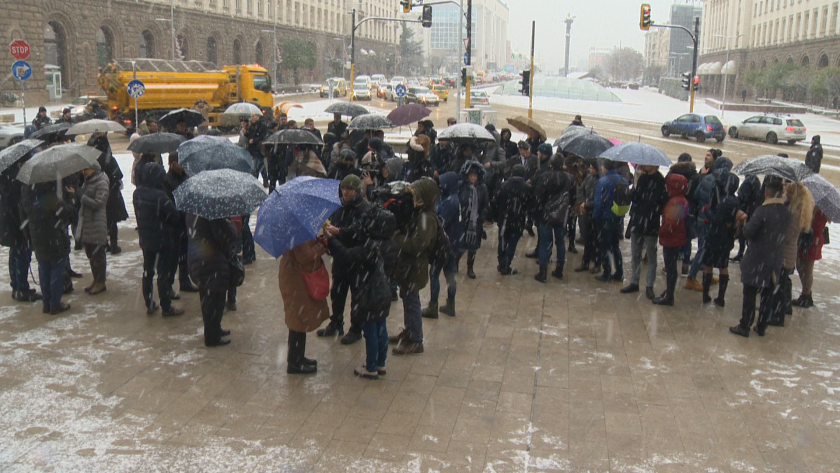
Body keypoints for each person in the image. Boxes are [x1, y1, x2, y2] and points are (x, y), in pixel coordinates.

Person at [326, 209, 397, 379]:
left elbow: (347, 255)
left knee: (371, 330)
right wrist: (340, 232)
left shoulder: (369, 246)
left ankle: (371, 367)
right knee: (381, 327)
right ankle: (381, 363)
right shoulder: (388, 243)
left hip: (369, 293)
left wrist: (332, 240)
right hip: (383, 291)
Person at [730, 177, 791, 337]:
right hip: (775, 258)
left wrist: (744, 223)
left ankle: (745, 325)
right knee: (768, 293)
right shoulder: (786, 213)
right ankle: (762, 325)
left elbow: (748, 233)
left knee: (750, 292)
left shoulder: (762, 211)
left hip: (757, 257)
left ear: (766, 193)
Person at [317, 175, 370, 343]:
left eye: (349, 189)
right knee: (337, 293)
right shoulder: (340, 204)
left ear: (356, 190)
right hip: (340, 256)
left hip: (356, 257)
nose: (345, 192)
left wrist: (339, 231)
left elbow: (359, 231)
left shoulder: (363, 208)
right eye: (343, 189)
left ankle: (356, 329)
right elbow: (335, 223)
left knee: (357, 295)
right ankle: (336, 323)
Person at [390, 178, 438, 356]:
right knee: (407, 298)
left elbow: (417, 245)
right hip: (408, 266)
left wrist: (398, 237)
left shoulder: (427, 218)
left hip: (415, 267)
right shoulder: (419, 213)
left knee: (412, 302)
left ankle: (416, 339)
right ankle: (409, 331)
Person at [134, 163, 185, 316]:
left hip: (146, 240)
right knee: (163, 273)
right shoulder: (160, 196)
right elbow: (174, 217)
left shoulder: (137, 194)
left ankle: (149, 303)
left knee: (148, 272)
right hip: (162, 241)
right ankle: (166, 306)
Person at [278, 238, 330, 374]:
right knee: (298, 320)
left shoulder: (295, 229)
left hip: (295, 275)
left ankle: (298, 357)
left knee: (300, 319)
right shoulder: (295, 233)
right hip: (295, 279)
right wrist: (321, 246)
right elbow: (305, 256)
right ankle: (295, 363)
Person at [21, 181, 71, 315]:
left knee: (44, 270)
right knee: (56, 270)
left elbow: (23, 217)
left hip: (37, 238)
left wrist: (29, 237)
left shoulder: (26, 193)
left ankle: (46, 303)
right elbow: (65, 214)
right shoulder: (49, 193)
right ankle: (55, 304)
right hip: (54, 237)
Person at [188, 213, 237, 347]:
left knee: (207, 297)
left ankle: (214, 329)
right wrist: (231, 225)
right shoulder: (213, 215)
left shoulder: (193, 211)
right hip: (212, 262)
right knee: (215, 299)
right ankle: (212, 337)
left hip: (198, 258)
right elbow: (225, 236)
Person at [685, 152, 729, 291]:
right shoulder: (720, 183)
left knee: (703, 248)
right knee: (704, 250)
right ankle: (691, 277)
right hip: (708, 220)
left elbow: (697, 195)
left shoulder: (706, 178)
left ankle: (706, 275)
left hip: (700, 217)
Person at [621, 164, 667, 299]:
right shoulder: (642, 179)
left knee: (651, 256)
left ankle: (649, 286)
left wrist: (651, 206)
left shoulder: (660, 181)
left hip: (651, 224)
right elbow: (634, 198)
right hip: (637, 221)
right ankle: (634, 282)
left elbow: (661, 203)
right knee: (635, 254)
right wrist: (635, 188)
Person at [772, 183, 814, 325]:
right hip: (788, 252)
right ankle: (784, 309)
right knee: (783, 282)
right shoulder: (797, 210)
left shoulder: (795, 213)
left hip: (785, 253)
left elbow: (787, 235)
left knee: (780, 284)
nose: (785, 195)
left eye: (788, 193)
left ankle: (778, 316)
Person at [0, 155, 41, 302]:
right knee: (22, 255)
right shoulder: (14, 179)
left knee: (15, 254)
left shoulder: (6, 174)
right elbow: (17, 204)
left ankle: (17, 287)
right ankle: (21, 288)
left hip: (9, 224)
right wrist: (23, 224)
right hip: (17, 224)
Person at [423, 172, 462, 319]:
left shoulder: (450, 202)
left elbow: (440, 222)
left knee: (434, 274)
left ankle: (433, 305)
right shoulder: (454, 199)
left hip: (444, 245)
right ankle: (450, 304)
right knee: (450, 275)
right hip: (453, 244)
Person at [701, 171, 740, 307]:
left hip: (715, 236)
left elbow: (716, 219)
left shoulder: (721, 200)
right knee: (723, 266)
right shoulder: (735, 200)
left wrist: (707, 211)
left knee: (708, 265)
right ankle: (721, 297)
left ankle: (705, 295)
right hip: (727, 238)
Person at [533, 154, 573, 282]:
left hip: (546, 214)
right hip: (561, 214)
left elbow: (538, 197)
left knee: (544, 242)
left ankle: (543, 272)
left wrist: (538, 212)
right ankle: (559, 269)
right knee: (560, 242)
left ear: (551, 164)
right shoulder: (569, 178)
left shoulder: (545, 177)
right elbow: (572, 197)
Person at [162, 152, 198, 294]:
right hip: (175, 224)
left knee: (185, 254)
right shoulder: (167, 180)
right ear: (174, 164)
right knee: (173, 257)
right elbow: (168, 204)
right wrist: (179, 213)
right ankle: (169, 285)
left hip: (186, 222)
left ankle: (184, 280)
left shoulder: (185, 177)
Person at [88, 132, 128, 255]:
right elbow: (119, 175)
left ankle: (104, 244)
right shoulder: (109, 158)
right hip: (111, 193)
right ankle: (114, 245)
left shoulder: (91, 160)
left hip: (97, 193)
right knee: (112, 221)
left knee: (101, 221)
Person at [654, 174, 690, 306]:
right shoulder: (682, 200)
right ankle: (669, 292)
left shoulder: (674, 201)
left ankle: (669, 296)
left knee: (671, 268)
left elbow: (671, 223)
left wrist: (661, 231)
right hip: (677, 238)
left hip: (672, 239)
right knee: (672, 267)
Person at [492, 164, 533, 275]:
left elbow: (495, 201)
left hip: (504, 219)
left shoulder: (503, 185)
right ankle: (506, 264)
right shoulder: (527, 188)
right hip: (518, 220)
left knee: (502, 242)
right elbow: (530, 205)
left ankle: (501, 262)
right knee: (512, 243)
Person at [76, 163, 109, 296]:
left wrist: (81, 197)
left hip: (96, 222)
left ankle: (101, 282)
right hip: (87, 222)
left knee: (98, 255)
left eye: (86, 169)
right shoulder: (88, 181)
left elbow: (99, 203)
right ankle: (96, 279)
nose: (84, 171)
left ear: (94, 169)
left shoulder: (102, 181)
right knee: (90, 253)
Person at [593, 159, 626, 283]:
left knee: (605, 246)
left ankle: (606, 272)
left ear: (604, 167)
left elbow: (598, 202)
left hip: (605, 218)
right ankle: (619, 272)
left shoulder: (603, 181)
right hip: (618, 217)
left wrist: (596, 217)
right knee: (615, 246)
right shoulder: (623, 180)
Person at [667, 154, 698, 276]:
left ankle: (671, 265)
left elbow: (667, 188)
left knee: (673, 234)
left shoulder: (672, 172)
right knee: (687, 237)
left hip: (674, 207)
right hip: (689, 208)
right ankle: (685, 265)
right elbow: (696, 194)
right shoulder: (695, 175)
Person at [459, 161, 489, 280]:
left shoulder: (482, 188)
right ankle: (455, 261)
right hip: (463, 220)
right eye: (471, 175)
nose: (473, 177)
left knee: (472, 247)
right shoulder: (461, 186)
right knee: (461, 245)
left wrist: (481, 217)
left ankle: (470, 268)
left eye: (475, 175)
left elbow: (485, 205)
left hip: (475, 222)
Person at [795, 207, 828, 308]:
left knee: (807, 268)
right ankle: (806, 294)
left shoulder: (820, 212)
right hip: (809, 240)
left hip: (812, 241)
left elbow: (816, 228)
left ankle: (806, 295)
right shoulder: (814, 208)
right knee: (801, 266)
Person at [575, 158, 601, 274]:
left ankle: (597, 263)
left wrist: (587, 205)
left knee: (596, 240)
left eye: (591, 167)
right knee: (587, 239)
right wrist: (581, 203)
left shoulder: (602, 181)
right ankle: (585, 262)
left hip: (595, 214)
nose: (589, 169)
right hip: (585, 212)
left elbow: (599, 200)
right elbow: (581, 189)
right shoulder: (589, 177)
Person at [733, 173, 762, 262]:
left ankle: (741, 253)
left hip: (746, 210)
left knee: (743, 233)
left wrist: (739, 194)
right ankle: (745, 253)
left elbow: (743, 197)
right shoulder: (756, 180)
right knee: (749, 234)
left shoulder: (748, 181)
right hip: (753, 210)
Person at [245, 113, 268, 185]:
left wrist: (254, 140)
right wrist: (246, 134)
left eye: (253, 116)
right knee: (261, 166)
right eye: (251, 116)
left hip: (259, 149)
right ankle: (266, 180)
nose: (251, 118)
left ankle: (254, 182)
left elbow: (263, 136)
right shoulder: (252, 126)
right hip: (253, 150)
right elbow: (250, 137)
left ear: (258, 117)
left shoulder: (262, 126)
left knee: (256, 167)